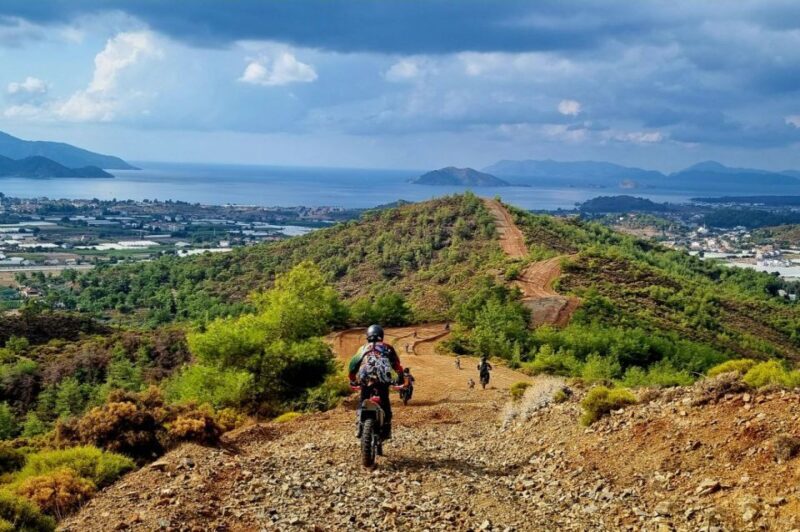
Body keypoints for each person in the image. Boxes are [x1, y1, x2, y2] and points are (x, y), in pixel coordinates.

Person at [348, 324, 404, 439]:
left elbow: (353, 366)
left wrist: (353, 380)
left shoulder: (363, 348)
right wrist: (400, 378)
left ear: (367, 336)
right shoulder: (387, 347)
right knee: (385, 401)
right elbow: (397, 365)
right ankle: (387, 427)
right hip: (383, 379)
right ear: (381, 336)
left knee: (363, 399)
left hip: (365, 378)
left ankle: (359, 424)